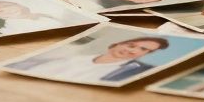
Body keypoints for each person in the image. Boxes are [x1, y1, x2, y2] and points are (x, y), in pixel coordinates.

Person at [10, 35, 170, 83]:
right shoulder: (68, 57)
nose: (131, 50)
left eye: (143, 49)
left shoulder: (140, 71)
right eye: (130, 44)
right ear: (117, 42)